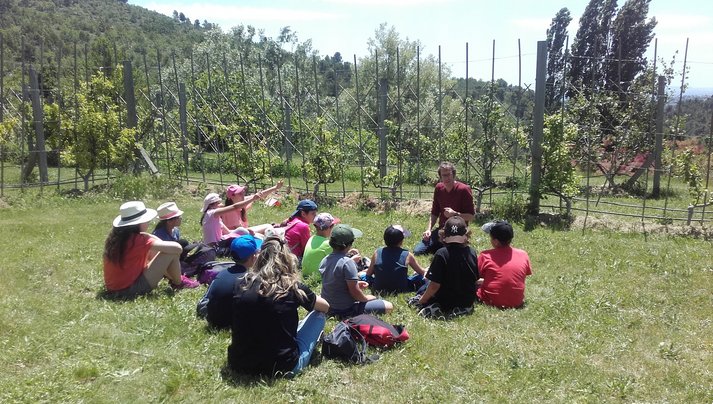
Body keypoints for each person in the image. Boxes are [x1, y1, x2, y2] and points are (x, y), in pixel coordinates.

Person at [228, 234, 330, 377]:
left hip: (240, 363)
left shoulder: (242, 283)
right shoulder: (292, 287)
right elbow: (325, 307)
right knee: (318, 315)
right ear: (287, 258)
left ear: (259, 257)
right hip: (283, 367)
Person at [103, 201, 198, 299]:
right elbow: (177, 248)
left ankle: (175, 278)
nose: (148, 223)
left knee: (154, 250)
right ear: (138, 223)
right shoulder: (139, 240)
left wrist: (147, 236)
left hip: (113, 288)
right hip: (130, 290)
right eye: (146, 221)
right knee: (171, 253)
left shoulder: (117, 238)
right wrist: (147, 236)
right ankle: (178, 282)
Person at [410, 216, 478, 319]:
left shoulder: (442, 253)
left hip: (445, 301)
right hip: (466, 300)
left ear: (444, 235)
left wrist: (422, 300)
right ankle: (462, 308)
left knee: (427, 284)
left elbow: (434, 285)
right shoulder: (471, 252)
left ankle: (431, 306)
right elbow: (475, 279)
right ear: (466, 235)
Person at [319, 224, 393, 318]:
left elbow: (336, 283)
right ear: (349, 244)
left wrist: (356, 283)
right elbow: (354, 293)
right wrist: (366, 298)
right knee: (388, 306)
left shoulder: (325, 259)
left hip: (328, 307)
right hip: (345, 309)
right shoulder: (348, 263)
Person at [196, 235, 262, 329]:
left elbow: (206, 298)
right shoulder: (249, 280)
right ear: (253, 257)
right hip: (229, 321)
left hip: (212, 316)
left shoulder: (221, 273)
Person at [414, 162, 475, 256]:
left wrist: (455, 214)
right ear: (440, 177)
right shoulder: (439, 188)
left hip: (457, 231)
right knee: (418, 251)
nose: (446, 178)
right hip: (442, 230)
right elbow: (434, 212)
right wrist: (429, 229)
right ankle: (440, 245)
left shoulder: (464, 189)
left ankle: (447, 246)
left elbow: (471, 217)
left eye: (448, 175)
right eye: (444, 175)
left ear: (453, 174)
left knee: (447, 254)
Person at [477, 220, 532, 309]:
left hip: (491, 300)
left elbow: (473, 276)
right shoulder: (523, 254)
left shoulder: (485, 255)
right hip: (517, 301)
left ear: (495, 241)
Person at [363, 225, 426, 294]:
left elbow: (368, 274)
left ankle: (366, 266)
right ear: (401, 241)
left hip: (379, 287)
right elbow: (421, 272)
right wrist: (427, 270)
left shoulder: (377, 252)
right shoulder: (407, 255)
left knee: (362, 275)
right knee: (420, 278)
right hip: (401, 288)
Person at [301, 212, 340, 280]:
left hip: (306, 274)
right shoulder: (327, 244)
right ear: (329, 228)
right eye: (333, 226)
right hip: (319, 276)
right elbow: (339, 260)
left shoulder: (312, 238)